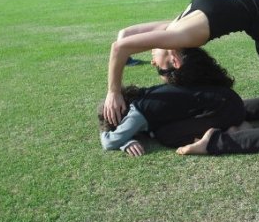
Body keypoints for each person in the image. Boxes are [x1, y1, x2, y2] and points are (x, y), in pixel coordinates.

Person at [103, 0, 259, 155]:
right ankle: (215, 142)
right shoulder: (182, 31)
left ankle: (225, 118)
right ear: (175, 59)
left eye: (159, 68)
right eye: (158, 67)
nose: (152, 63)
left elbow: (122, 41)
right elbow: (121, 45)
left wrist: (114, 92)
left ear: (175, 58)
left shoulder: (178, 28)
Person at [98, 48, 246, 156]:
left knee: (164, 135)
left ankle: (223, 135)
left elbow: (110, 142)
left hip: (227, 109)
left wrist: (123, 140)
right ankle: (231, 126)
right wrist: (127, 139)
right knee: (160, 129)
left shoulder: (137, 111)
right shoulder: (144, 96)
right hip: (228, 101)